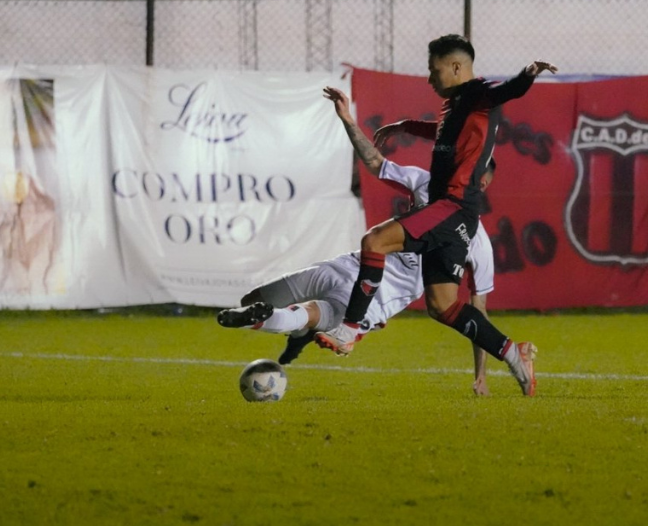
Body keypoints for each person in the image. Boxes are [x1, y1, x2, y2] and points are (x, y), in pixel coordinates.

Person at [315, 34, 556, 397]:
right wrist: (406, 126)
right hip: (456, 214)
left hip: (453, 207)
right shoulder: (457, 105)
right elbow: (443, 132)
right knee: (442, 306)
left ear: (457, 67)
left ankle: (350, 329)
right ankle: (513, 352)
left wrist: (528, 73)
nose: (430, 78)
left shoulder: (476, 94)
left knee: (374, 241)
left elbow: (506, 91)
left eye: (434, 70)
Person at [217, 86, 497, 396]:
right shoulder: (456, 216)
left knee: (288, 310)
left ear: (479, 182)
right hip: (368, 293)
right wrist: (481, 375)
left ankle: (284, 322)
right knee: (295, 313)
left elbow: (376, 163)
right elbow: (477, 313)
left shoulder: (444, 205)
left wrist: (349, 120)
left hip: (349, 269)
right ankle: (287, 323)